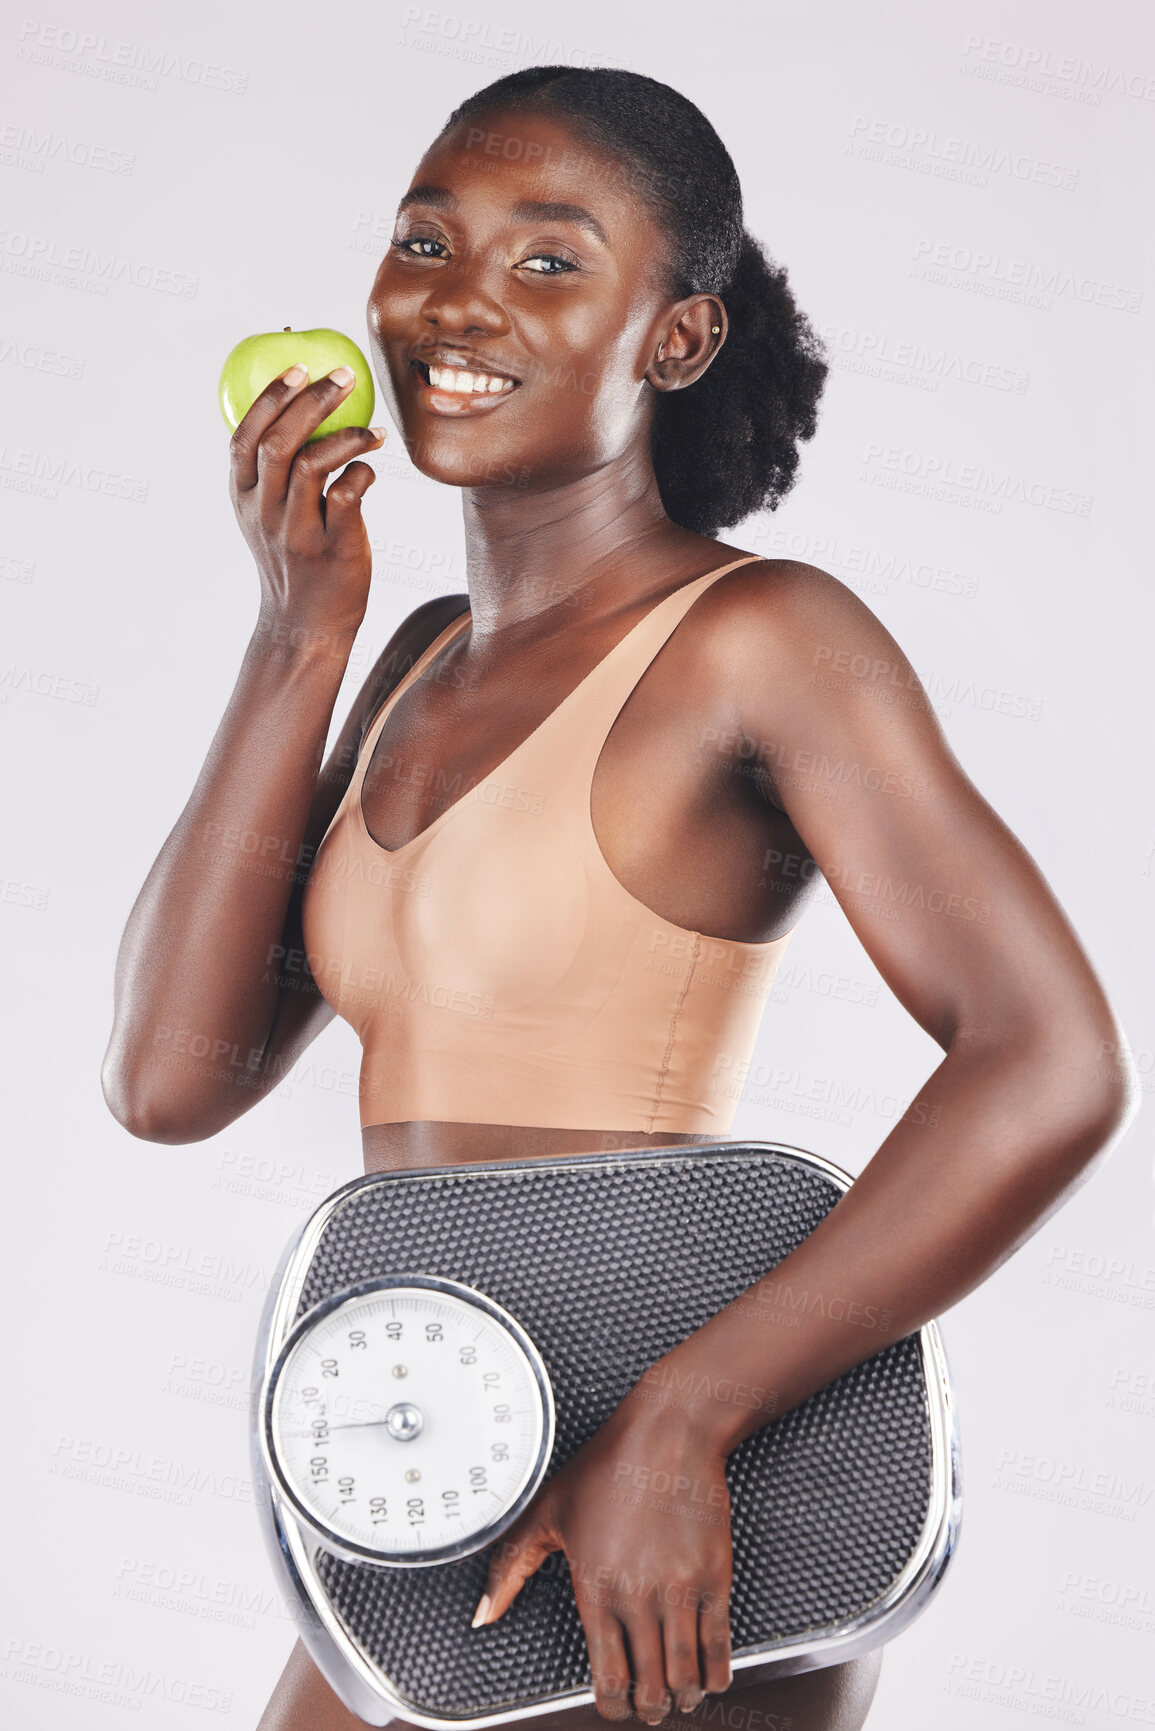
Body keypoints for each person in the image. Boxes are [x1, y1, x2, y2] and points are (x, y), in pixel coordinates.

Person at [102, 66, 1136, 1731]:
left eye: (548, 260)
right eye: (426, 239)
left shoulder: (768, 641)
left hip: (676, 1459)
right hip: (441, 1451)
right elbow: (166, 1082)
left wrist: (683, 1417)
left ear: (677, 338)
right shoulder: (417, 668)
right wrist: (299, 634)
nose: (455, 300)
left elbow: (1051, 1055)